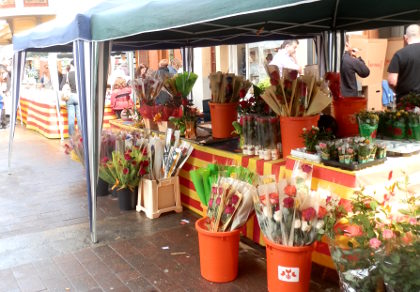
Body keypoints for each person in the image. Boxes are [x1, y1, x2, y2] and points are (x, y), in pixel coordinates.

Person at [387, 24, 420, 102]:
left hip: (406, 101)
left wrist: (396, 90)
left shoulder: (400, 54)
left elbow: (392, 81)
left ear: (405, 37)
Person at [60, 60, 81, 136]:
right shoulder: (80, 74)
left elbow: (61, 86)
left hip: (69, 96)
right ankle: (81, 134)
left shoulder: (67, 75)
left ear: (71, 65)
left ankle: (71, 135)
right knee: (79, 117)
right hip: (78, 96)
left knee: (71, 117)